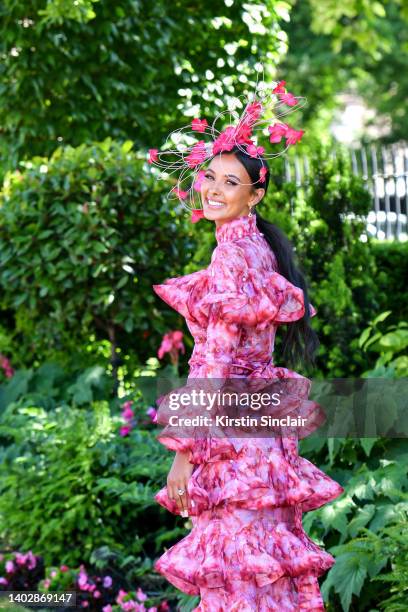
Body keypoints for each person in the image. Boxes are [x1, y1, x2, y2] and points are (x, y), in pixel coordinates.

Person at [149, 79, 344, 611]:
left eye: (229, 182)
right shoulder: (256, 248)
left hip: (238, 440)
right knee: (262, 577)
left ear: (254, 195)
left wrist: (185, 454)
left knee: (240, 580)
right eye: (208, 176)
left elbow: (214, 361)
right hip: (260, 435)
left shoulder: (233, 258)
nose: (212, 189)